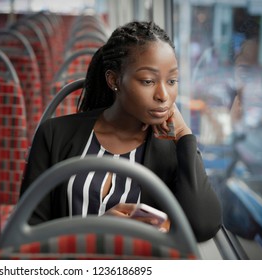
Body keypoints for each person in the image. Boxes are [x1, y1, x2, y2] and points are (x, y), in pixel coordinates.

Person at [20, 21, 222, 242]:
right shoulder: (55, 135)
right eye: (148, 81)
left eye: (172, 81)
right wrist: (95, 234)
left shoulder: (172, 150)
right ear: (114, 80)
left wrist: (184, 135)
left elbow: (203, 226)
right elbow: (27, 232)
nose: (163, 95)